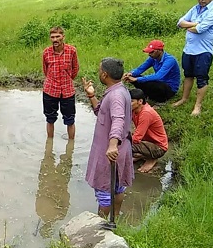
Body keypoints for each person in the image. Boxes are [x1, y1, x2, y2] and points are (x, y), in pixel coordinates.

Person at [82, 57, 133, 219]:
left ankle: (101, 227)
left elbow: (118, 119)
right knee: (118, 188)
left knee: (105, 192)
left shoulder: (116, 96)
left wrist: (112, 145)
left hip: (109, 152)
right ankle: (116, 220)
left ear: (104, 75)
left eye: (99, 70)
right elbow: (102, 113)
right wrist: (91, 96)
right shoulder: (119, 90)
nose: (98, 73)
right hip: (121, 149)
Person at [173, 0, 213, 116]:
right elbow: (180, 23)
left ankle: (197, 106)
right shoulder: (195, 9)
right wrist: (195, 23)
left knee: (201, 78)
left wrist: (190, 25)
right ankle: (184, 99)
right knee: (188, 75)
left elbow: (199, 29)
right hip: (189, 49)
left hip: (203, 51)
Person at [42, 26, 79, 139]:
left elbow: (75, 69)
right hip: (50, 90)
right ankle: (49, 145)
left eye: (58, 36)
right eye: (52, 37)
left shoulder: (72, 51)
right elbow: (45, 71)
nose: (55, 39)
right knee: (50, 119)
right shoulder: (46, 53)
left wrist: (67, 80)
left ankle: (71, 145)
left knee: (70, 120)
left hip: (67, 91)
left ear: (63, 36)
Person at [129, 89, 168, 173]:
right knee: (124, 139)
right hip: (147, 141)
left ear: (140, 101)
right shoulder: (134, 110)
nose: (128, 104)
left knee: (125, 145)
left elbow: (136, 138)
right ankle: (144, 154)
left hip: (159, 147)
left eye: (131, 101)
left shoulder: (146, 113)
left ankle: (152, 158)